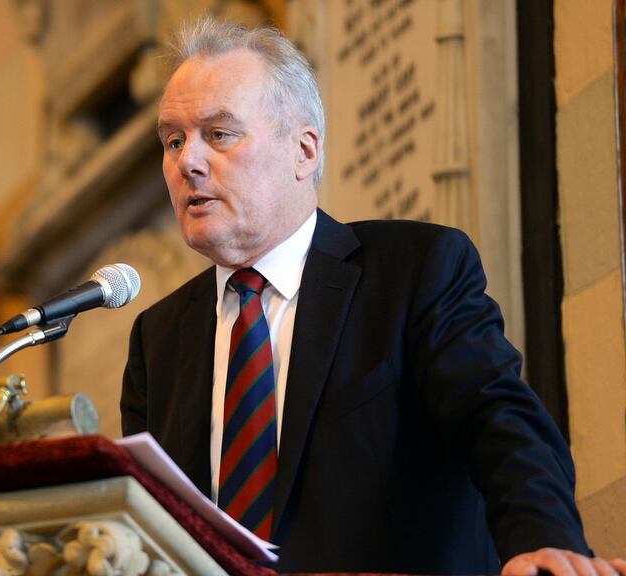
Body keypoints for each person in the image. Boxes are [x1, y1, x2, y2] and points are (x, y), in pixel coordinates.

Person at [120, 17, 626, 575]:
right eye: (173, 140)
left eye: (219, 134)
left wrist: (544, 543)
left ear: (304, 152)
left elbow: (499, 419)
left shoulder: (414, 271)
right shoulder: (158, 339)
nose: (186, 162)